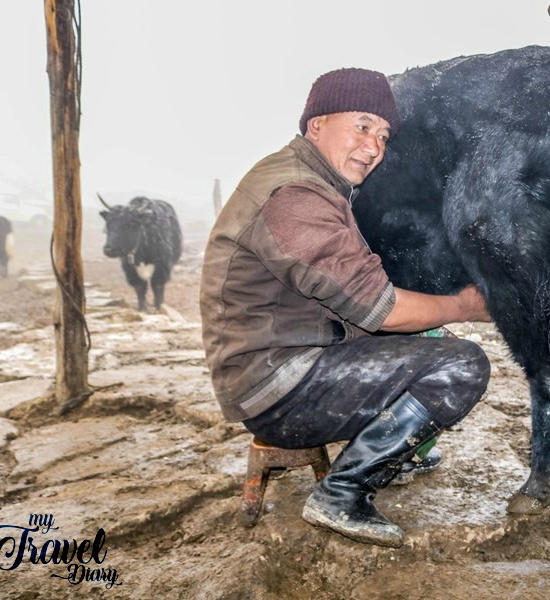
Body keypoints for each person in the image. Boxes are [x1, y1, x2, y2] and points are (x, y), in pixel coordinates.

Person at [200, 67, 491, 548]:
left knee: (429, 339)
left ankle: (388, 457)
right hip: (277, 389)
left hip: (281, 364)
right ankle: (343, 491)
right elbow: (381, 308)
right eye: (362, 125)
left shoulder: (313, 182)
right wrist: (462, 305)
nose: (374, 146)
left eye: (383, 134)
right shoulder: (296, 195)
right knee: (460, 366)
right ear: (316, 123)